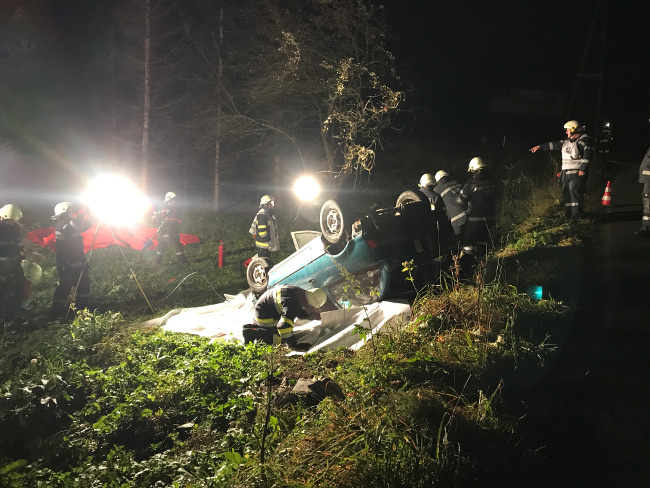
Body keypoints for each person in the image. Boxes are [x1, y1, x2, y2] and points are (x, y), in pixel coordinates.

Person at [530, 119, 595, 221]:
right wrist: (539, 147)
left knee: (575, 194)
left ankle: (577, 216)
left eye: (567, 130)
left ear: (573, 129)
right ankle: (569, 216)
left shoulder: (585, 140)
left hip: (577, 174)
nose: (566, 132)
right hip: (566, 174)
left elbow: (588, 156)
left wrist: (582, 169)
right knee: (567, 194)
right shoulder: (566, 142)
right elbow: (553, 144)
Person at [50, 202, 93, 321]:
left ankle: (80, 312)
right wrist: (81, 214)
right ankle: (56, 315)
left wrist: (89, 214)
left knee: (84, 286)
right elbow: (71, 228)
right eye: (70, 211)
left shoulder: (71, 224)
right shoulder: (61, 225)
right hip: (67, 264)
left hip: (79, 262)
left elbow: (84, 225)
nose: (72, 213)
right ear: (64, 213)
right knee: (65, 288)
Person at [250, 285, 327, 348]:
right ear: (309, 303)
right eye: (312, 307)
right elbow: (283, 326)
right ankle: (256, 333)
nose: (311, 309)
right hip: (264, 316)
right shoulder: (294, 305)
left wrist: (312, 316)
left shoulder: (299, 292)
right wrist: (293, 345)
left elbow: (297, 312)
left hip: (264, 304)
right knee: (277, 342)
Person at [459, 157, 497, 261]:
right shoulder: (492, 181)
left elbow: (462, 198)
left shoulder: (472, 183)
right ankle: (484, 263)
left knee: (468, 243)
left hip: (475, 219)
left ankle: (469, 264)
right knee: (484, 242)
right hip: (490, 218)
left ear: (473, 169)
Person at [0, 204, 25, 332]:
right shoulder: (4, 230)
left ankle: (10, 320)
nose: (14, 223)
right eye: (11, 220)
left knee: (11, 293)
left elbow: (18, 248)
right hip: (4, 268)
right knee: (3, 296)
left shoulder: (15, 230)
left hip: (11, 267)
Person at [417, 173, 456, 246]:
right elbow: (442, 212)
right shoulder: (436, 195)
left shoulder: (417, 195)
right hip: (437, 226)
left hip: (422, 227)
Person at [152, 191, 188, 266]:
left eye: (175, 200)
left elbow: (179, 219)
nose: (174, 201)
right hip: (165, 231)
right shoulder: (166, 210)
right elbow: (155, 218)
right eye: (173, 200)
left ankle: (183, 261)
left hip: (173, 231)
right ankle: (156, 262)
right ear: (169, 201)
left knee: (177, 246)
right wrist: (158, 220)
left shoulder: (176, 209)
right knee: (161, 246)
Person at [433, 170, 468, 237]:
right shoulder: (457, 183)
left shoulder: (437, 189)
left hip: (456, 219)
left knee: (459, 239)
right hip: (469, 214)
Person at [249, 195, 279, 259]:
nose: (272, 205)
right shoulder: (262, 215)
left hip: (266, 244)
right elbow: (262, 230)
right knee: (263, 261)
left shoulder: (267, 213)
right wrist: (268, 240)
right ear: (265, 204)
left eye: (272, 203)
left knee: (266, 259)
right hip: (263, 244)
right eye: (271, 203)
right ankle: (254, 263)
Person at [637, 144, 650, 236]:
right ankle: (645, 227)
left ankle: (646, 227)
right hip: (648, 181)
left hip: (648, 181)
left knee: (647, 203)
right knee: (647, 204)